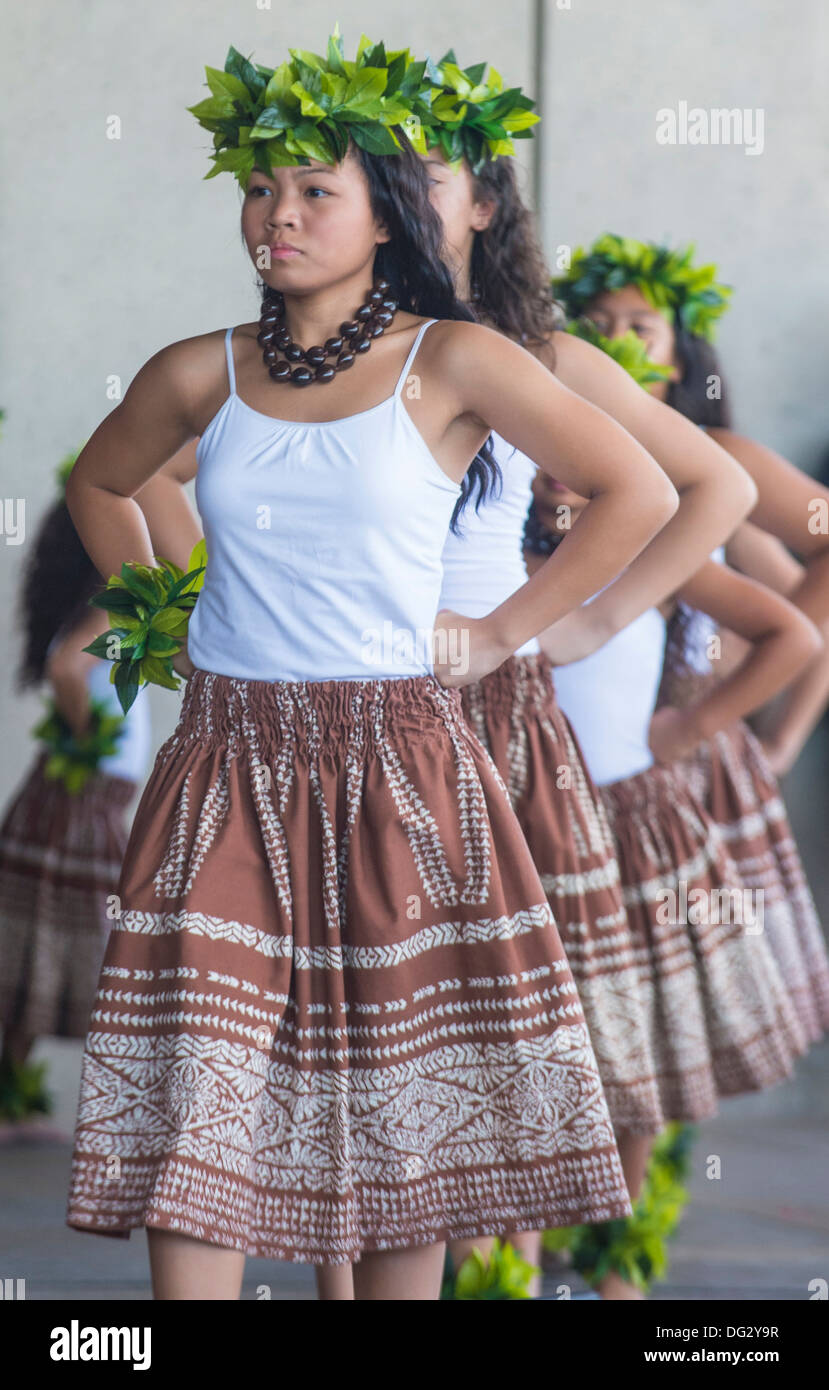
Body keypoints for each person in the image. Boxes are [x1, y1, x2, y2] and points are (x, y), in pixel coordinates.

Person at [62, 31, 681, 1302]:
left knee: (411, 1106)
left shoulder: (451, 361)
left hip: (403, 763)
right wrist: (163, 625)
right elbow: (100, 483)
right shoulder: (202, 371)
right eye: (258, 190)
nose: (273, 218)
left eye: (312, 193)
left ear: (386, 219)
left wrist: (508, 631)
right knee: (204, 1083)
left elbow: (644, 487)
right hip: (225, 765)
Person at [526, 470, 820, 1296]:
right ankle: (520, 1248)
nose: (558, 481)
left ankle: (617, 1263)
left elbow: (793, 633)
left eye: (586, 468)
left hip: (629, 823)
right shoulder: (493, 559)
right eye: (538, 461)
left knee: (641, 1050)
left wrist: (693, 725)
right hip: (529, 832)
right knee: (541, 1048)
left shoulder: (653, 556)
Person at [555, 234, 829, 1043]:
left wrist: (769, 734)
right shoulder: (550, 463)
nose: (614, 340)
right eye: (596, 323)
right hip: (568, 764)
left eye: (639, 328)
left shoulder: (717, 465)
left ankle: (659, 1166)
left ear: (679, 362)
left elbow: (794, 610)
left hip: (666, 766)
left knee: (660, 1011)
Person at [0, 476, 151, 1129]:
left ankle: (14, 1094)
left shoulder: (96, 598)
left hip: (73, 795)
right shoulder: (109, 603)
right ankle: (125, 1113)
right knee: (109, 945)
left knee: (37, 933)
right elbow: (68, 667)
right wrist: (88, 745)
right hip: (81, 794)